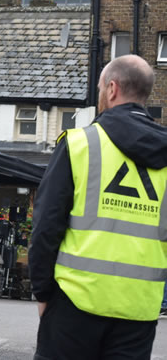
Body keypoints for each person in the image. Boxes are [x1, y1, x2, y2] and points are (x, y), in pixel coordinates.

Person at [28, 54, 167, 359]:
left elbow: (46, 226)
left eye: (101, 88)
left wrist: (42, 293)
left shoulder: (80, 144)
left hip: (74, 303)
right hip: (138, 310)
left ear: (112, 89)